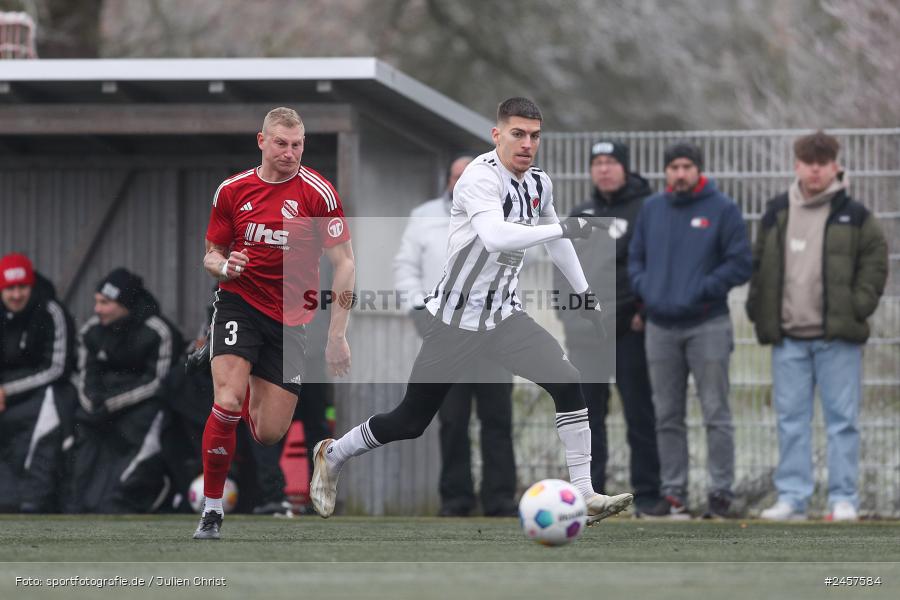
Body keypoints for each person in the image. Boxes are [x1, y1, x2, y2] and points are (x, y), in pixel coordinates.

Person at [311, 97, 633, 525]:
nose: (527, 144)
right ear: (497, 135)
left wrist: (585, 293)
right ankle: (334, 454)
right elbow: (496, 236)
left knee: (568, 380)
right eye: (518, 134)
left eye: (534, 136)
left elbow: (558, 242)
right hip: (454, 322)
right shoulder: (479, 177)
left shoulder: (539, 182)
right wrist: (563, 227)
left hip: (504, 318)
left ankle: (585, 494)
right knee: (410, 421)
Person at [194, 106, 355, 539]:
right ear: (262, 141)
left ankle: (241, 372)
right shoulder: (232, 190)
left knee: (268, 433)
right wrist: (225, 266)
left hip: (290, 321)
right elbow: (211, 254)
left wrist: (337, 336)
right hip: (238, 304)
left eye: (297, 144)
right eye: (281, 143)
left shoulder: (319, 194)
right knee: (227, 401)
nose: (290, 152)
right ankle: (212, 509)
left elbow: (345, 264)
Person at [748, 131, 887, 522]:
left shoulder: (855, 214)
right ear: (797, 165)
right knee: (791, 422)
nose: (815, 170)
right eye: (808, 163)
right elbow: (758, 264)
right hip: (788, 339)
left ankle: (843, 499)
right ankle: (793, 498)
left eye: (822, 163)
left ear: (835, 166)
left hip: (837, 339)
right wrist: (759, 309)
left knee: (843, 422)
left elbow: (876, 260)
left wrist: (858, 306)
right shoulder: (777, 210)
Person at [628, 141, 752, 519]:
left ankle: (721, 494)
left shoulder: (723, 209)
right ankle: (674, 494)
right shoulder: (652, 209)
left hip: (707, 324)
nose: (679, 174)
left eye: (686, 167)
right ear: (666, 172)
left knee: (715, 412)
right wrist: (648, 290)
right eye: (673, 167)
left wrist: (701, 289)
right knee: (667, 415)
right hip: (660, 328)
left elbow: (740, 263)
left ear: (698, 170)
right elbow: (636, 260)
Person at [394, 155, 518, 517]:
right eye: (456, 176)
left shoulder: (505, 215)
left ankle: (500, 499)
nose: (462, 182)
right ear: (448, 180)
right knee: (452, 420)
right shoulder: (424, 216)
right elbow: (405, 267)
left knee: (498, 419)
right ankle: (456, 499)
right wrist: (418, 310)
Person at [554, 141, 662, 515]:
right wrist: (569, 315)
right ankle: (591, 496)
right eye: (597, 162)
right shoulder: (580, 213)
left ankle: (649, 496)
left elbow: (652, 264)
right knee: (586, 418)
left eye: (611, 162)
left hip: (629, 331)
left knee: (639, 414)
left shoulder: (647, 209)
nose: (603, 168)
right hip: (585, 336)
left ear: (625, 168)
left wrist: (642, 310)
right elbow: (560, 268)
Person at [72, 268, 184, 513]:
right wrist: (93, 403)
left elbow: (158, 381)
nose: (97, 309)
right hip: (98, 410)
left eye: (105, 303)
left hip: (141, 409)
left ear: (125, 304)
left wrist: (111, 403)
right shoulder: (92, 331)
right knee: (82, 430)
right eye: (96, 301)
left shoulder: (158, 331)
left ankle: (124, 502)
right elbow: (86, 376)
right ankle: (79, 505)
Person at [0, 253, 76, 512]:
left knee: (49, 406)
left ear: (31, 286)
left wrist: (7, 390)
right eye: (10, 289)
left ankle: (32, 499)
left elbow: (57, 368)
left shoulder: (51, 311)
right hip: (5, 395)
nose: (16, 295)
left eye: (22, 287)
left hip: (49, 392)